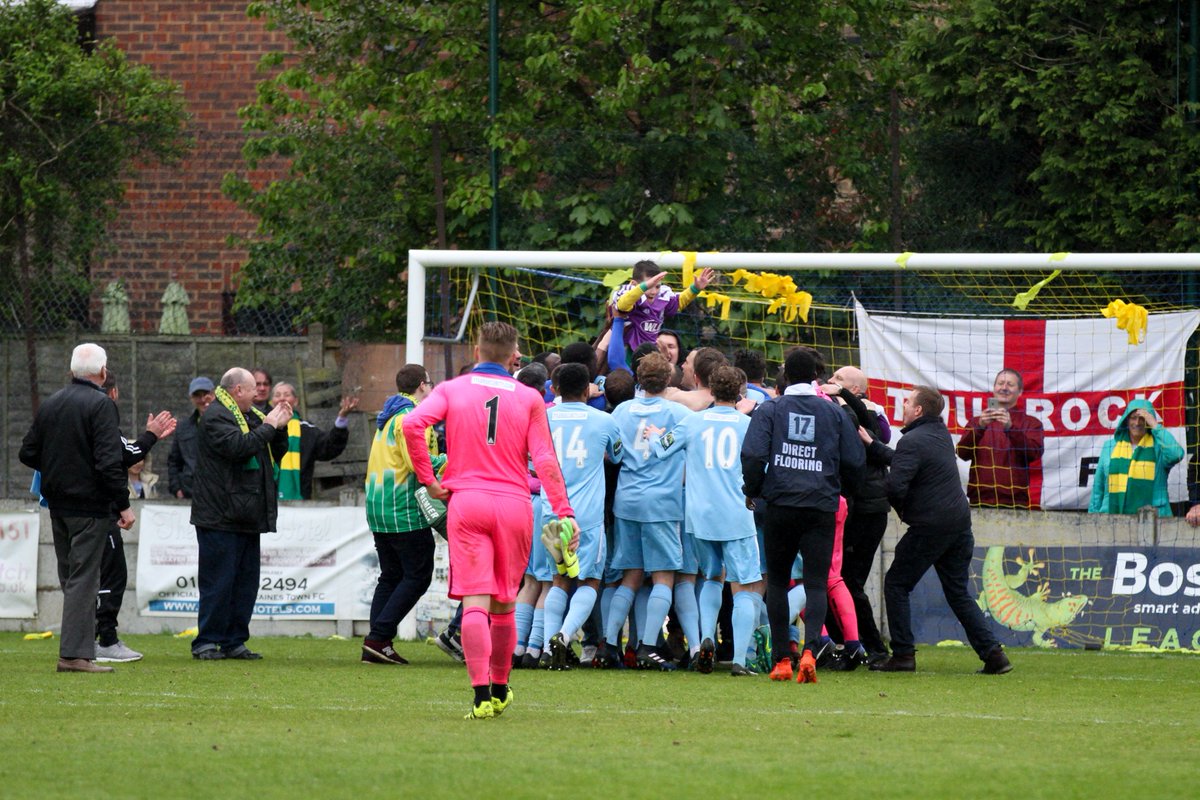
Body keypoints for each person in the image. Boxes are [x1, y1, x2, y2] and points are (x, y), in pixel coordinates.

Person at [402, 321, 578, 720]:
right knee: (504, 603)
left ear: (477, 350)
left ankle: (481, 695)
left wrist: (429, 481)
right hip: (515, 504)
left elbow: (413, 424)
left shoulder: (451, 389)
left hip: (468, 503)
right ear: (515, 355)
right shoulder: (530, 397)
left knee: (476, 602)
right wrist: (564, 512)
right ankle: (501, 688)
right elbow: (545, 460)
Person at [862, 386, 1012, 675]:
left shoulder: (913, 441)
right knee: (958, 591)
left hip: (931, 526)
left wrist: (903, 510)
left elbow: (895, 485)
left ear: (918, 410)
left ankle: (903, 654)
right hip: (958, 524)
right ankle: (994, 655)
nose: (903, 405)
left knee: (896, 584)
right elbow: (905, 460)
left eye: (907, 401)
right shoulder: (940, 435)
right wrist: (872, 444)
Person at [740, 347, 864, 684]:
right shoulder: (832, 412)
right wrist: (842, 490)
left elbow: (752, 454)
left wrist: (755, 488)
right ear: (816, 378)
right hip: (821, 505)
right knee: (816, 582)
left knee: (778, 582)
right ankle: (810, 651)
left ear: (786, 378)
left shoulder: (771, 409)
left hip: (780, 504)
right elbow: (854, 460)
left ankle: (782, 659)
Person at [19, 343, 134, 673]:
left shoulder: (51, 403)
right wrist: (123, 506)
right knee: (85, 580)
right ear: (102, 372)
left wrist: (59, 467)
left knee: (71, 578)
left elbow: (27, 453)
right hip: (90, 507)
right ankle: (74, 655)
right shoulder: (101, 405)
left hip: (58, 505)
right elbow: (109, 462)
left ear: (71, 372)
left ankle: (79, 652)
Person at [652, 364, 763, 676]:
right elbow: (761, 465)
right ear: (740, 392)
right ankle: (739, 659)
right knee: (742, 585)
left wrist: (654, 436)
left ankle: (704, 640)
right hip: (736, 513)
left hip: (699, 515)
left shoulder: (692, 422)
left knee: (712, 578)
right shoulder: (748, 425)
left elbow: (660, 450)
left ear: (712, 391)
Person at [190, 368, 293, 661]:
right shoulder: (216, 416)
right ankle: (206, 641)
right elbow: (239, 447)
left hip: (246, 513)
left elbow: (276, 449)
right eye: (252, 390)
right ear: (237, 390)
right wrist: (269, 425)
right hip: (219, 514)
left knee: (245, 583)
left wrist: (280, 427)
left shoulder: (251, 416)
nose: (257, 395)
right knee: (218, 581)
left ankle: (235, 640)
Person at [603, 353, 692, 671]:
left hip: (627, 500)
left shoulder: (621, 412)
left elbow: (612, 456)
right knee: (664, 577)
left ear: (638, 379)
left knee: (630, 575)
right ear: (668, 380)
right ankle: (648, 647)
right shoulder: (680, 413)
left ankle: (608, 645)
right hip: (662, 502)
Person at [541, 363, 625, 670]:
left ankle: (550, 648)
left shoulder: (543, 418)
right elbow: (618, 456)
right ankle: (563, 636)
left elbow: (533, 461)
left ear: (558, 389)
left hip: (552, 510)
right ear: (588, 389)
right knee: (589, 581)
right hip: (587, 515)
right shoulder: (604, 420)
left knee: (558, 580)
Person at [362, 365, 442, 665]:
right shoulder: (411, 418)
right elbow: (418, 461)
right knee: (418, 575)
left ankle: (376, 643)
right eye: (431, 384)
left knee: (391, 575)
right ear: (422, 385)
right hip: (402, 508)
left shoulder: (388, 417)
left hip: (378, 507)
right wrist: (453, 460)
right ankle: (379, 637)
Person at [95, 368, 176, 664]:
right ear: (113, 392)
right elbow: (122, 457)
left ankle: (81, 639)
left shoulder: (61, 408)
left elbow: (29, 452)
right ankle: (105, 639)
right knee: (112, 575)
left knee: (81, 577)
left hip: (67, 509)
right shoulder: (100, 412)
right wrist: (151, 435)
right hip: (98, 511)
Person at [820, 365, 891, 665]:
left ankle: (873, 648)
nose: (830, 383)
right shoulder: (840, 409)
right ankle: (845, 644)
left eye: (839, 380)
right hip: (857, 507)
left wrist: (846, 397)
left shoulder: (868, 412)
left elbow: (880, 438)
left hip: (867, 509)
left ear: (856, 390)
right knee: (837, 579)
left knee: (848, 580)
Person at [956, 368, 1044, 508]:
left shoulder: (1031, 423)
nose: (1004, 388)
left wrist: (1011, 428)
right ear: (994, 389)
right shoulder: (977, 421)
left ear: (1020, 391)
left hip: (1016, 504)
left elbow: (1034, 454)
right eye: (1000, 383)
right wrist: (980, 427)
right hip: (979, 501)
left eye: (1010, 384)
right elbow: (962, 453)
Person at [1088, 399, 1184, 517]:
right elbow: (1098, 487)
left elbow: (1176, 454)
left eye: (1142, 418)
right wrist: (1092, 517)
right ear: (1126, 421)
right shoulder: (1109, 447)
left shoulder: (1159, 447)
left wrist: (1155, 425)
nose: (1137, 423)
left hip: (1154, 521)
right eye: (1133, 417)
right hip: (1111, 519)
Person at [269, 382, 358, 500]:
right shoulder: (262, 429)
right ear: (271, 402)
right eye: (277, 395)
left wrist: (342, 418)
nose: (282, 398)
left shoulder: (307, 431)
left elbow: (329, 447)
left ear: (296, 401)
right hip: (266, 501)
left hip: (300, 502)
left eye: (286, 395)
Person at [609, 260, 715, 353]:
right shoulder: (629, 293)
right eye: (649, 286)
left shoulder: (663, 295)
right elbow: (622, 305)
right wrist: (643, 287)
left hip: (651, 350)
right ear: (634, 284)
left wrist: (695, 288)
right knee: (604, 354)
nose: (653, 291)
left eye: (657, 286)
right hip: (625, 348)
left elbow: (679, 302)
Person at [168, 376, 216, 499]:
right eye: (197, 395)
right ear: (191, 398)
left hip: (218, 493)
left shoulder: (227, 424)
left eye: (206, 394)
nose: (203, 399)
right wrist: (177, 489)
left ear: (214, 395)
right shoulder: (183, 428)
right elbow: (174, 461)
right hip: (190, 493)